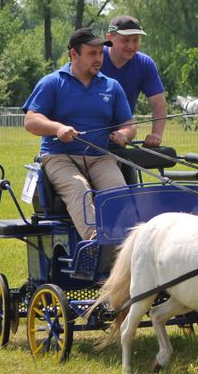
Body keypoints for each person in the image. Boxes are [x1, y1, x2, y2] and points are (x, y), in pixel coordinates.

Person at [24, 27, 135, 240]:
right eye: (92, 53)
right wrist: (57, 128)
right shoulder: (53, 82)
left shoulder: (112, 87)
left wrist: (124, 134)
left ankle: (123, 242)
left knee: (117, 192)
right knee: (79, 189)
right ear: (74, 54)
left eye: (100, 53)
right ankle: (95, 245)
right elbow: (31, 120)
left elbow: (129, 124)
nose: (99, 59)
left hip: (98, 157)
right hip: (58, 156)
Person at [100, 15, 166, 149]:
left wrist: (156, 134)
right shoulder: (95, 59)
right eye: (125, 40)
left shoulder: (145, 64)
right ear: (109, 38)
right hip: (90, 136)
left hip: (123, 135)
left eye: (135, 40)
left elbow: (158, 104)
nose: (131, 45)